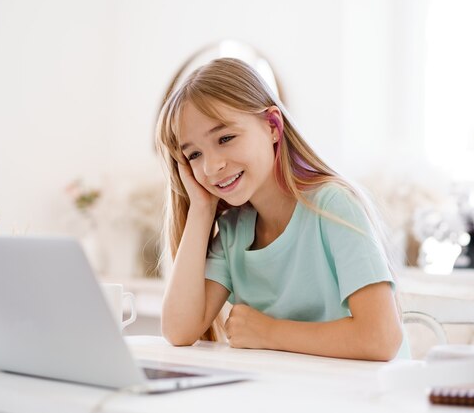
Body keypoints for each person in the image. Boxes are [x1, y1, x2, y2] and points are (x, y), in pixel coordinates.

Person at [155, 58, 410, 360]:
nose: (212, 166)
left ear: (273, 126)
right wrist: (200, 208)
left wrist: (268, 332)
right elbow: (178, 330)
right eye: (194, 154)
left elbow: (380, 339)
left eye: (225, 138)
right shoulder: (233, 231)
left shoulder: (333, 205)